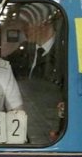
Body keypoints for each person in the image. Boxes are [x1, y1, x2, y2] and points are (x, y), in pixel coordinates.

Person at [7, 10, 67, 143]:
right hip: (27, 126)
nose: (24, 29)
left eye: (27, 23)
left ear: (44, 23)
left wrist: (61, 129)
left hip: (54, 130)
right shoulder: (22, 52)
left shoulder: (66, 52)